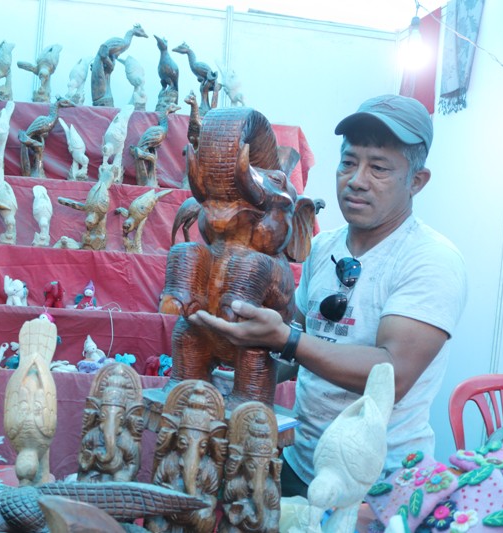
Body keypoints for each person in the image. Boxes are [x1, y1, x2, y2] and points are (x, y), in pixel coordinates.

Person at [188, 94, 468, 497]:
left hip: (381, 485)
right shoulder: (323, 247)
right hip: (301, 463)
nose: (357, 180)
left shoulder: (431, 259)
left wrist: (286, 339)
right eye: (348, 162)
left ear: (416, 181)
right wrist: (234, 371)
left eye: (379, 168)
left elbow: (392, 374)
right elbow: (302, 349)